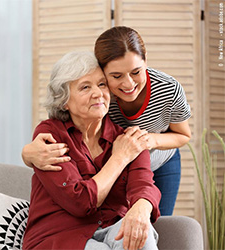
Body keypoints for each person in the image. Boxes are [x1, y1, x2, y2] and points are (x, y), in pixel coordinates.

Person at [22, 26, 191, 216]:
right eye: (117, 76)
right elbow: (65, 115)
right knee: (118, 216)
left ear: (145, 61)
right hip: (121, 157)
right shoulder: (101, 93)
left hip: (160, 158)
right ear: (103, 72)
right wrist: (27, 154)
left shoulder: (168, 89)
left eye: (136, 72)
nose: (128, 84)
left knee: (157, 220)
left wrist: (148, 141)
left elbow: (183, 135)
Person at [22, 51, 161, 250]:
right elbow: (80, 202)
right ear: (64, 101)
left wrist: (141, 209)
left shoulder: (128, 138)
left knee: (141, 234)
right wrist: (120, 157)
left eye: (102, 84)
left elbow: (144, 185)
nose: (98, 93)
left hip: (112, 226)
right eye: (85, 87)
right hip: (59, 235)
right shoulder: (50, 134)